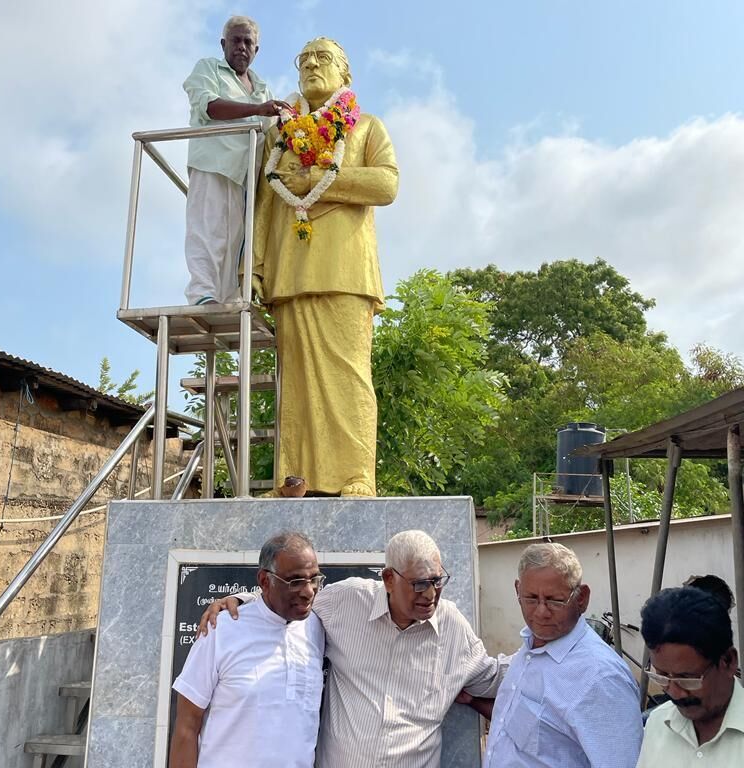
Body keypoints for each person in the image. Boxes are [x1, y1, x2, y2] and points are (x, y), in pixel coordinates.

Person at [199, 529, 509, 768]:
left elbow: (496, 678)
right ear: (389, 579)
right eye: (419, 584)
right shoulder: (348, 601)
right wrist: (242, 601)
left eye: (437, 581)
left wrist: (538, 643)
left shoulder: (452, 627)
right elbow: (292, 600)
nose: (430, 594)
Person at [252, 37, 399, 496]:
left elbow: (387, 184)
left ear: (345, 74)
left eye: (324, 58)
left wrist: (320, 179)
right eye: (305, 60)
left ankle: (357, 475)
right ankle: (294, 479)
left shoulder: (366, 127)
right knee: (295, 383)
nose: (312, 65)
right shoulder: (280, 136)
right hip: (290, 272)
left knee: (349, 375)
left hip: (346, 271)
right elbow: (263, 205)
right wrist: (253, 267)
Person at [475, 542, 643, 767]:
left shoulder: (601, 678)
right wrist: (472, 701)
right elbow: (522, 728)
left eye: (555, 600)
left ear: (581, 598)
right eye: (531, 598)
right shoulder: (531, 647)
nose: (541, 612)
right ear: (517, 590)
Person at [169, 531, 325, 768]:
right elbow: (187, 725)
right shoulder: (221, 628)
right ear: (264, 580)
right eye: (295, 581)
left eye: (314, 579)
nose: (308, 591)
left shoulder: (317, 627)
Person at [183, 16, 290, 305]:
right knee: (208, 230)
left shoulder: (262, 88)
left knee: (237, 241)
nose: (242, 47)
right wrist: (257, 109)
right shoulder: (209, 69)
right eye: (236, 40)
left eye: (248, 42)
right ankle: (202, 293)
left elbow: (272, 132)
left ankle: (228, 300)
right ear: (223, 44)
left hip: (246, 178)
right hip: (213, 165)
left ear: (257, 50)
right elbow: (209, 106)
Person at [636, 586, 743, 766]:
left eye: (687, 678)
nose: (675, 693)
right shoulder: (658, 723)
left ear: (728, 661)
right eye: (662, 675)